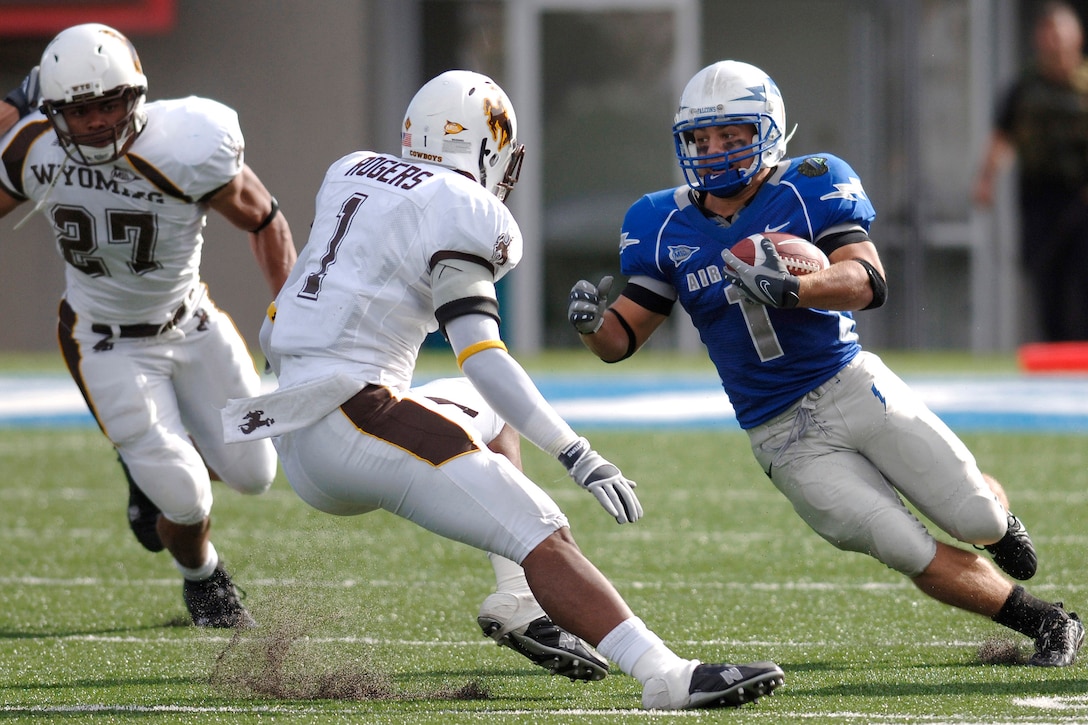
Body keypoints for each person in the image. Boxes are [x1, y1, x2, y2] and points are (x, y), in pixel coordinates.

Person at [219, 69, 785, 710]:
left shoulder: (352, 171)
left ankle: (517, 602)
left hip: (299, 417)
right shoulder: (464, 208)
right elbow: (484, 356)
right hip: (352, 416)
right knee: (540, 524)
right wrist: (576, 453)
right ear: (486, 149)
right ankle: (665, 676)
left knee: (487, 413)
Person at [568, 59, 1084, 667]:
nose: (713, 151)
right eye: (701, 139)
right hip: (779, 431)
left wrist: (796, 290)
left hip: (849, 384)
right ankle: (1046, 620)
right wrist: (591, 325)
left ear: (768, 131)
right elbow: (624, 336)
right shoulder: (659, 222)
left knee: (974, 513)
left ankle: (998, 519)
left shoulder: (811, 183)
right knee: (901, 545)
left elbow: (868, 278)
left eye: (732, 136)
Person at [0, 24, 298, 628]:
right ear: (52, 111)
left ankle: (151, 474)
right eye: (80, 110)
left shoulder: (184, 146)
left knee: (256, 472)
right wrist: (14, 106)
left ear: (136, 96)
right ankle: (203, 577)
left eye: (110, 102)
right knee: (186, 499)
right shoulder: (34, 152)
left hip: (191, 323)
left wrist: (288, 320)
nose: (99, 121)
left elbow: (266, 221)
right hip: (105, 343)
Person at [973, 1, 1088, 341]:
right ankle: (1056, 363)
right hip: (1041, 200)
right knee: (1047, 282)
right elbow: (1002, 137)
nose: (1054, 40)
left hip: (1082, 201)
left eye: (1061, 32)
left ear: (1077, 37)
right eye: (1048, 32)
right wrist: (986, 180)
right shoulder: (1023, 88)